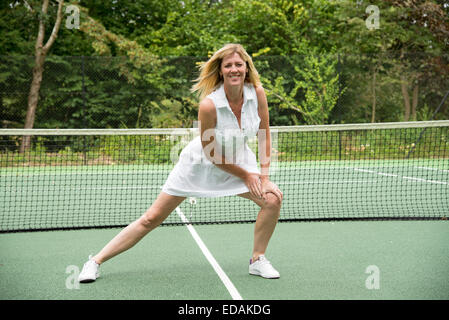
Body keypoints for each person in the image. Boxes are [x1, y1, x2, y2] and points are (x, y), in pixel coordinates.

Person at [78, 43, 283, 283]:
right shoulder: (209, 105)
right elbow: (212, 155)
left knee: (272, 200)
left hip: (239, 159)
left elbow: (264, 133)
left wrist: (264, 177)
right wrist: (248, 176)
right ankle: (95, 261)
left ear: (247, 69)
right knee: (151, 218)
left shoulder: (257, 94)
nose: (234, 69)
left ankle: (258, 260)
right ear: (220, 71)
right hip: (200, 164)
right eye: (228, 65)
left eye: (239, 65)